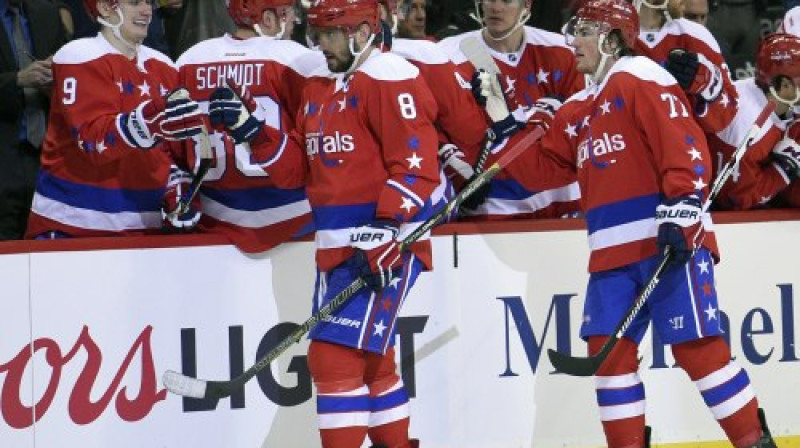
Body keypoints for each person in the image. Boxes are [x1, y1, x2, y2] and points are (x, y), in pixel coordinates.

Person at [476, 0, 778, 446]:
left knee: (698, 351)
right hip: (610, 254)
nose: (573, 41)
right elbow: (538, 172)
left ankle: (755, 441)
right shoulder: (578, 108)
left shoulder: (642, 76)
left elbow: (685, 144)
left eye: (584, 31)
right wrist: (503, 126)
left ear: (612, 38)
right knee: (608, 356)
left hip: (668, 237)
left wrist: (682, 207)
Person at [209, 0, 438, 446]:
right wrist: (251, 131)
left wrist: (388, 231)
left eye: (331, 35)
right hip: (337, 247)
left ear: (364, 32)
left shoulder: (389, 76)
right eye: (317, 35)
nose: (321, 45)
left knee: (333, 359)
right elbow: (297, 170)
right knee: (372, 361)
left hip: (385, 243)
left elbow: (417, 167)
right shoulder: (319, 85)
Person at [25, 0, 205, 239]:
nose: (147, 10)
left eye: (149, 2)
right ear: (104, 7)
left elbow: (170, 149)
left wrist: (177, 181)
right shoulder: (78, 56)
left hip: (145, 224)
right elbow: (94, 141)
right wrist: (148, 122)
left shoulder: (165, 66)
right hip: (74, 223)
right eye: (134, 2)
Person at [171, 0, 317, 252]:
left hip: (214, 217)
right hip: (294, 217)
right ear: (269, 19)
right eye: (289, 11)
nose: (294, 19)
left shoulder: (189, 60)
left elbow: (171, 144)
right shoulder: (296, 58)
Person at [437, 0, 583, 219]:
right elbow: (429, 125)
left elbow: (582, 128)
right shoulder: (446, 56)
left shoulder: (562, 51)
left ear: (526, 5)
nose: (496, 7)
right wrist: (456, 168)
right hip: (493, 206)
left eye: (506, 0)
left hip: (560, 203)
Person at [707, 33, 800, 210]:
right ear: (785, 85)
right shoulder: (747, 129)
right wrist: (782, 171)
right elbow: (735, 199)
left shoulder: (770, 94)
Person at [0, 0, 66, 240]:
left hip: (46, 162)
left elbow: (69, 79)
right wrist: (17, 80)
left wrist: (56, 80)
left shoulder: (47, 12)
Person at [634, 0, 737, 134]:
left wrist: (708, 86)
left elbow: (726, 115)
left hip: (684, 150)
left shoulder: (696, 34)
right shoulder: (609, 35)